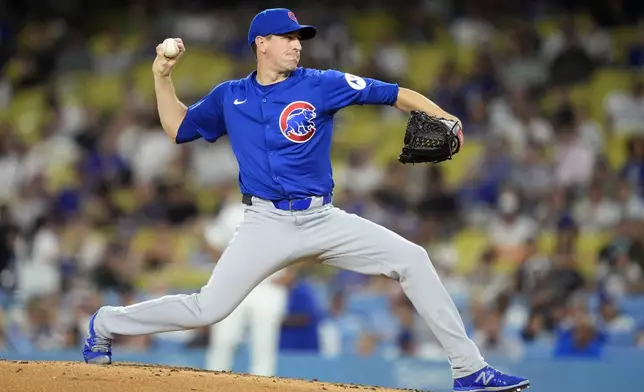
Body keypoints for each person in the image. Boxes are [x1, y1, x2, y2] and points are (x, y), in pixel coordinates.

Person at [83, 8, 530, 392]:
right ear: (262, 44)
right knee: (208, 309)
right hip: (265, 223)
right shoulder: (230, 96)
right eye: (288, 38)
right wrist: (162, 76)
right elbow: (177, 127)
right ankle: (106, 324)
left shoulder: (322, 84)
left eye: (300, 38)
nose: (298, 45)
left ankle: (469, 370)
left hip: (322, 218)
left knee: (412, 258)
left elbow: (393, 94)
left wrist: (442, 115)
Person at [203, 186, 291, 376]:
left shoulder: (287, 211)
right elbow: (212, 241)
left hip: (269, 285)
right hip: (235, 284)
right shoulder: (233, 212)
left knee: (264, 344)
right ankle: (212, 384)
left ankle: (262, 386)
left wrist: (292, 273)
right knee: (224, 340)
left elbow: (305, 245)